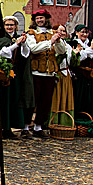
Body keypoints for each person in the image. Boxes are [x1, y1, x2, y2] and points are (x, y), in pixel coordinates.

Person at [26, 9, 69, 138]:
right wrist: (50, 42)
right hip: (36, 71)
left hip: (50, 72)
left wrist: (58, 41)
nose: (40, 20)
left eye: (42, 18)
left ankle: (39, 126)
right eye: (38, 18)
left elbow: (62, 51)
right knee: (33, 101)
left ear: (47, 19)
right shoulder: (31, 33)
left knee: (45, 101)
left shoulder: (53, 33)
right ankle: (26, 126)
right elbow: (33, 49)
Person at [0, 15, 34, 137]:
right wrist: (15, 45)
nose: (9, 27)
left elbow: (26, 54)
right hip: (3, 74)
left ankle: (9, 128)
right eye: (7, 25)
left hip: (16, 74)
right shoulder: (0, 38)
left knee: (14, 100)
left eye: (12, 25)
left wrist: (22, 44)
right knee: (3, 101)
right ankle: (1, 128)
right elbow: (3, 53)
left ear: (16, 26)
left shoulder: (18, 38)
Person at [68, 24, 93, 126]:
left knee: (90, 99)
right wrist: (90, 49)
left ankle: (91, 121)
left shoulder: (90, 44)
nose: (84, 34)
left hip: (90, 76)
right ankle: (78, 121)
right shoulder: (73, 43)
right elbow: (77, 59)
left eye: (86, 32)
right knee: (79, 98)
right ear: (76, 33)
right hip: (79, 76)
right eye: (82, 32)